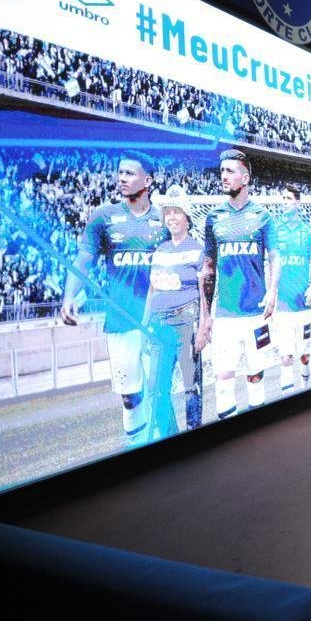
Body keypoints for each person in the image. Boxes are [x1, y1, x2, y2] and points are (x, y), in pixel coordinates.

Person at [60, 151, 169, 441]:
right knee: (130, 397)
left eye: (129, 173)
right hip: (121, 321)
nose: (122, 178)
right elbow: (83, 261)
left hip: (159, 320)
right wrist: (69, 296)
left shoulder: (165, 219)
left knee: (159, 391)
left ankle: (163, 449)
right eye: (120, 172)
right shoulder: (103, 217)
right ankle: (136, 447)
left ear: (148, 180)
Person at [201, 149, 282, 419]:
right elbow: (208, 268)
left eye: (229, 171)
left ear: (245, 178)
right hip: (225, 315)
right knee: (223, 382)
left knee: (255, 378)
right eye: (221, 171)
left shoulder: (262, 216)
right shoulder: (214, 217)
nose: (223, 176)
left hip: (256, 314)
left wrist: (273, 290)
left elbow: (275, 256)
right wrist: (206, 315)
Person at [144, 185, 206, 437]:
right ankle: (170, 436)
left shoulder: (199, 250)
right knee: (155, 389)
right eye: (168, 212)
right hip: (159, 326)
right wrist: (145, 325)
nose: (171, 217)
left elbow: (205, 294)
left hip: (187, 323)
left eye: (176, 212)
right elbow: (151, 290)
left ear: (187, 217)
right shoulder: (160, 251)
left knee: (191, 387)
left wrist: (203, 328)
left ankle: (195, 437)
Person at [273, 185, 311, 393]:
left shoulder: (307, 233)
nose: (285, 202)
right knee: (286, 356)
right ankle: (289, 400)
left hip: (302, 304)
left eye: (288, 198)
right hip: (283, 304)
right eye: (283, 198)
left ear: (297, 203)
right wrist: (271, 293)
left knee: (304, 355)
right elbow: (270, 264)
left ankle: (305, 388)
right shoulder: (275, 231)